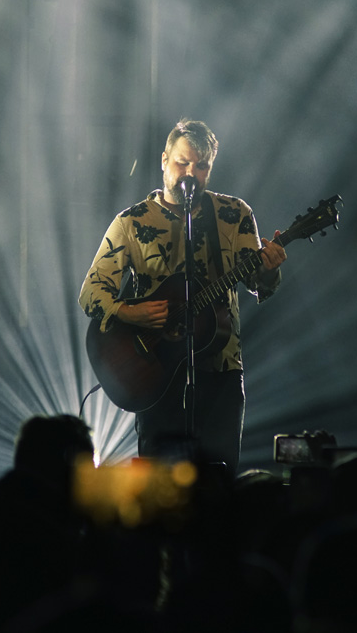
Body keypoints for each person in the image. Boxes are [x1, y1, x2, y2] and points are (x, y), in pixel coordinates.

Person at [79, 118, 286, 474]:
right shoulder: (131, 222)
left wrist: (269, 269)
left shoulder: (234, 214)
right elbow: (91, 294)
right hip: (156, 374)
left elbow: (257, 283)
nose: (191, 173)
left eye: (201, 166)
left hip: (220, 371)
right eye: (182, 162)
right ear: (164, 160)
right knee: (158, 488)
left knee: (220, 485)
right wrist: (134, 314)